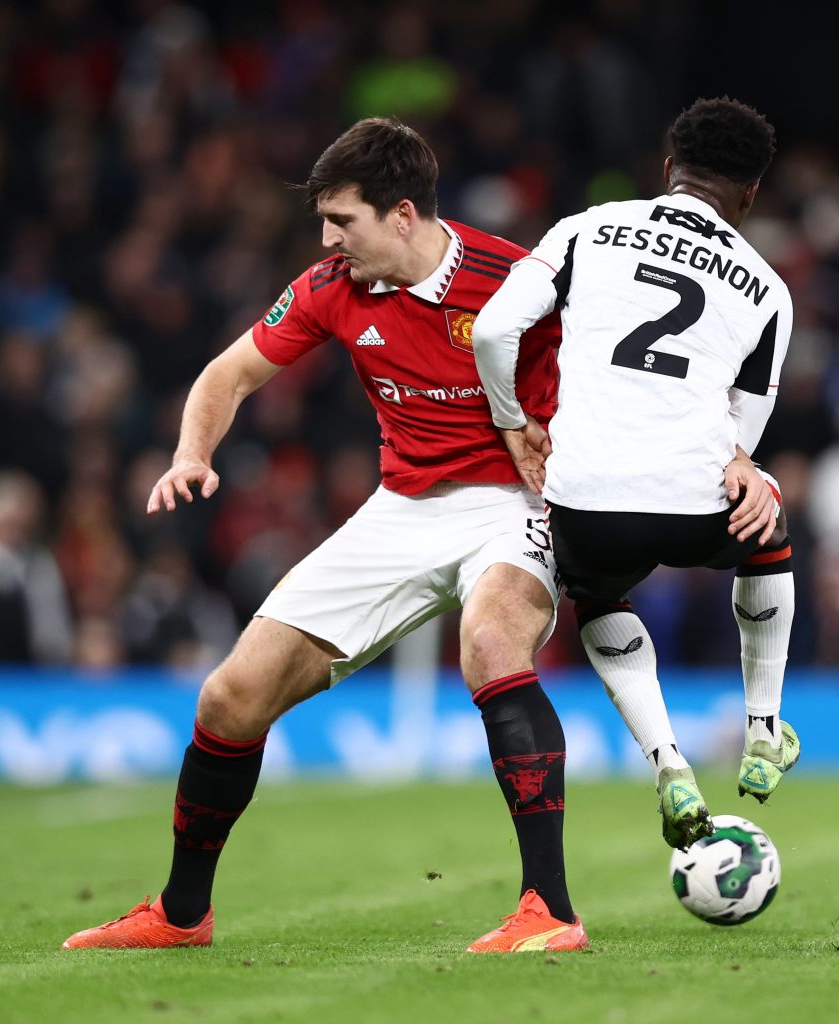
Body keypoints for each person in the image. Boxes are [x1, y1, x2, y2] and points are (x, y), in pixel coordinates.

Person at [62, 117, 593, 954]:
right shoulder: (331, 286)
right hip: (401, 508)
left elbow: (614, 376)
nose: (327, 240)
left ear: (403, 215)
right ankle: (181, 913)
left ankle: (550, 910)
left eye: (342, 220)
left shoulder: (515, 279)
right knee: (230, 697)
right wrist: (192, 453)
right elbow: (229, 374)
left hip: (512, 502)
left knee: (492, 643)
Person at [473, 97, 800, 848]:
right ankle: (762, 727)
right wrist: (749, 472)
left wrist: (512, 420)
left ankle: (667, 762)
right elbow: (743, 435)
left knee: (596, 591)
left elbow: (492, 329)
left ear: (668, 168)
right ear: (751, 193)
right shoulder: (767, 288)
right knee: (767, 521)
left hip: (585, 496)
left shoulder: (586, 229)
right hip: (697, 497)